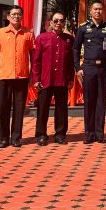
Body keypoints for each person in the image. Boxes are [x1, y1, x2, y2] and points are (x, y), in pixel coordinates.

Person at [73, 1, 106, 144]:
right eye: (95, 9)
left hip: (104, 69)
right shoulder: (83, 29)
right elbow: (75, 49)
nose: (98, 11)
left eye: (100, 9)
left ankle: (100, 134)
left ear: (103, 11)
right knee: (89, 102)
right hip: (88, 68)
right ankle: (89, 134)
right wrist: (77, 68)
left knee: (101, 102)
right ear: (90, 11)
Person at [0, 5, 34, 148]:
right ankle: (3, 138)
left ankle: (16, 137)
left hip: (22, 77)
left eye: (19, 14)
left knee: (19, 108)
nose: (16, 16)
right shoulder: (0, 33)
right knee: (3, 108)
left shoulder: (28, 32)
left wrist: (32, 73)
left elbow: (33, 55)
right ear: (8, 16)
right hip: (4, 76)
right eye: (13, 14)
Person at [31, 11, 74, 145]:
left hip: (61, 79)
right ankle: (41, 134)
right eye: (55, 21)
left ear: (64, 22)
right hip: (45, 79)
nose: (58, 23)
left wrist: (71, 78)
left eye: (61, 21)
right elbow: (36, 60)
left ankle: (60, 134)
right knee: (42, 108)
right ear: (50, 22)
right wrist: (36, 79)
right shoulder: (42, 38)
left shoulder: (69, 39)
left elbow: (71, 61)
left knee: (61, 108)